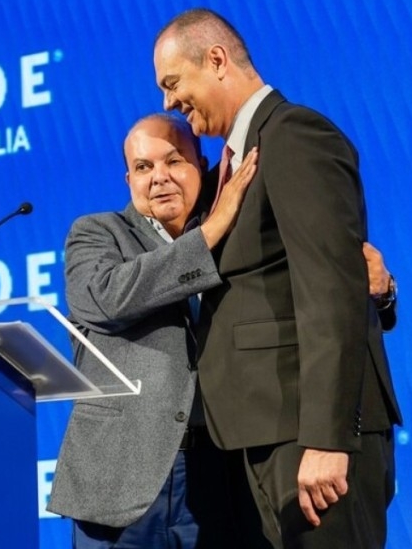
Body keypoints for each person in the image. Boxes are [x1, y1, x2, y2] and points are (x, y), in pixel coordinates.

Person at [153, 9, 402, 548]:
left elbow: (330, 291)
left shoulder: (293, 135)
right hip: (263, 435)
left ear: (216, 60)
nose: (169, 103)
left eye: (173, 84)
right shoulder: (227, 171)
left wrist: (327, 438)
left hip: (308, 438)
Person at [47, 112, 259, 547]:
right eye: (144, 168)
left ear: (201, 167)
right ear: (128, 179)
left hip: (220, 474)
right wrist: (211, 232)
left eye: (173, 161)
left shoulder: (238, 238)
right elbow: (106, 298)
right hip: (121, 478)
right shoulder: (97, 233)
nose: (159, 178)